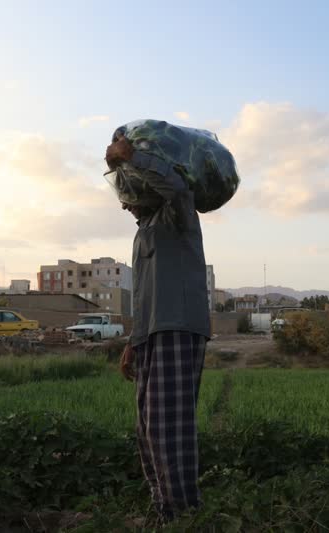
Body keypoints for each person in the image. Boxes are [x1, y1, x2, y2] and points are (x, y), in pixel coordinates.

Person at [106, 133, 211, 523]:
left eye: (128, 193)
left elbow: (179, 189)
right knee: (148, 427)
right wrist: (133, 341)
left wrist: (133, 157)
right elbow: (144, 296)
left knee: (169, 430)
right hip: (152, 335)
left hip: (178, 329)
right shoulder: (145, 229)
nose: (123, 203)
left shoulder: (177, 214)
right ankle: (163, 506)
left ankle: (183, 515)